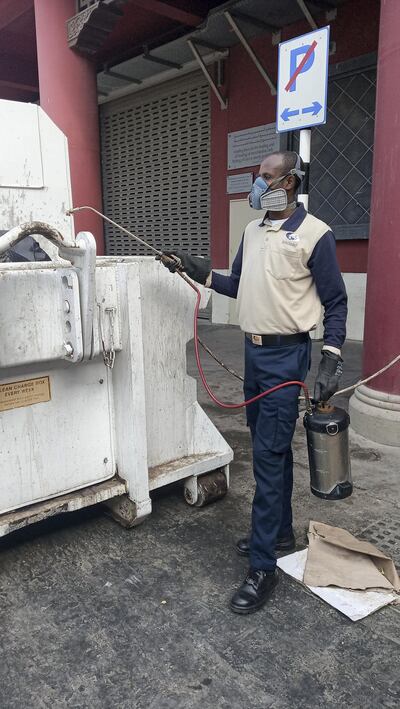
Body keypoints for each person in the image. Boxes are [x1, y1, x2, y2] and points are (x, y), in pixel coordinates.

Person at [158, 151, 347, 615]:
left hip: (287, 356)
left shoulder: (315, 234)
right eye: (257, 176)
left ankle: (263, 567)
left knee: (266, 456)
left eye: (266, 177)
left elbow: (336, 301)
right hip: (254, 353)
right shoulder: (253, 230)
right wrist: (196, 269)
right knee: (273, 451)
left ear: (291, 181)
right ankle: (279, 533)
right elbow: (237, 284)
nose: (258, 184)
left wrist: (331, 359)